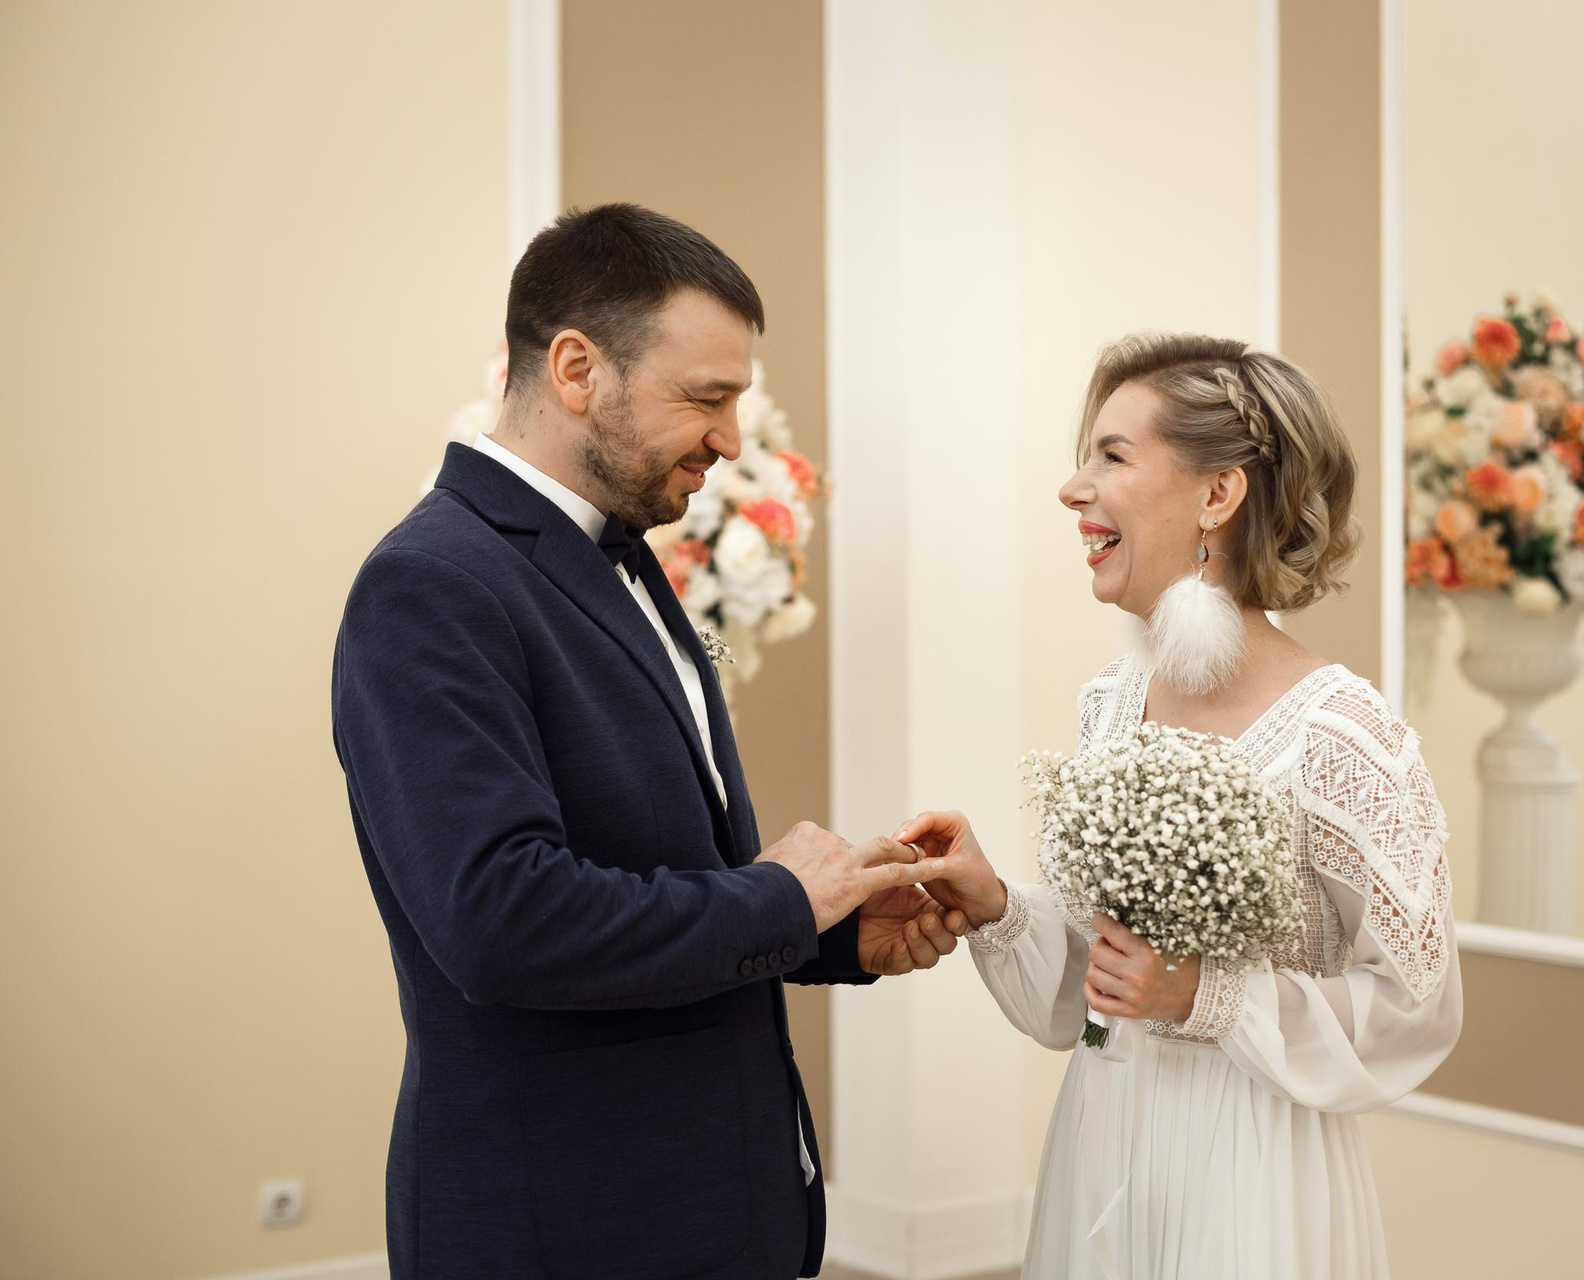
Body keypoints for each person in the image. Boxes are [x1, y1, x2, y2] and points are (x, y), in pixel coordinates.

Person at [332, 203, 968, 1280]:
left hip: (700, 1210)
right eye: (706, 398)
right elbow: (503, 919)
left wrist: (828, 929)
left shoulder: (615, 552)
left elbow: (656, 865)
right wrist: (780, 901)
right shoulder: (431, 584)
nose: (730, 439)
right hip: (566, 1224)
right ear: (577, 368)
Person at [901, 333, 1463, 1279]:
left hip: (1252, 1168)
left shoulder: (1343, 736)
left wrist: (1210, 997)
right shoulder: (1110, 703)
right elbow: (1093, 983)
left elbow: (1417, 1005)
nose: (1073, 489)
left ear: (1218, 494)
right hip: (1102, 1141)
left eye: (1112, 456)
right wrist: (994, 902)